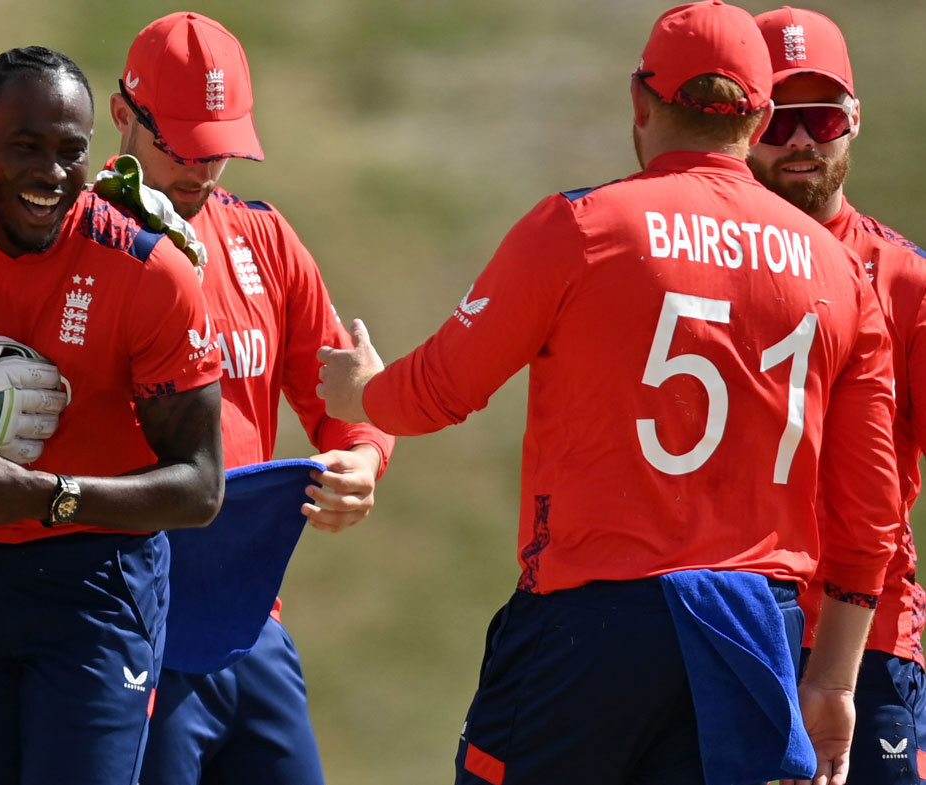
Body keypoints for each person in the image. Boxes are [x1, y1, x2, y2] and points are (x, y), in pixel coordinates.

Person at [317, 2, 900, 784]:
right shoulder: (841, 275)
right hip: (756, 634)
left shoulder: (584, 226)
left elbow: (439, 391)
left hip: (589, 624)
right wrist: (831, 678)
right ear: (760, 115)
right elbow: (871, 515)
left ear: (640, 100)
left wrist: (361, 392)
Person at [0, 46, 226, 785]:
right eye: (26, 148)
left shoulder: (149, 274)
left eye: (72, 152)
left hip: (96, 588)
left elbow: (200, 488)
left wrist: (47, 497)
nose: (51, 175)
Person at [105, 12, 395, 784]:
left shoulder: (263, 239)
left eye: (222, 149)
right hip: (130, 626)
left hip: (252, 625)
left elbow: (347, 396)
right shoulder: (80, 245)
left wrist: (363, 457)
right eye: (183, 147)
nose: (203, 171)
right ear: (122, 117)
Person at [749, 8, 926, 783]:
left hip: (875, 637)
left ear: (853, 123)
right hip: (732, 625)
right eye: (778, 117)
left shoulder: (907, 280)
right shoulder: (698, 265)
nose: (799, 140)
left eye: (820, 116)